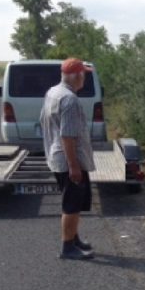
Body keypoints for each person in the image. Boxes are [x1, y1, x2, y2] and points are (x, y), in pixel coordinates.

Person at [39, 58, 96, 260]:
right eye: (84, 75)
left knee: (75, 202)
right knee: (71, 204)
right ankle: (67, 247)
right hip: (69, 160)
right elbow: (67, 135)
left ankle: (73, 238)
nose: (85, 79)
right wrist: (74, 166)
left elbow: (44, 121)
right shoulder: (70, 100)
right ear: (76, 76)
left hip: (57, 156)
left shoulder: (53, 92)